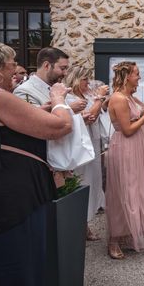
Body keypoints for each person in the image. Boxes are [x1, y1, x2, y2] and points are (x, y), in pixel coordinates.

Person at [0, 42, 72, 286]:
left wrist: (40, 109)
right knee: (20, 280)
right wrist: (59, 99)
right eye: (12, 63)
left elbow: (12, 124)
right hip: (14, 203)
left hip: (2, 198)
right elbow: (58, 128)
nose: (17, 69)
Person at [105, 62, 144, 259]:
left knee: (136, 190)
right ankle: (114, 240)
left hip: (136, 149)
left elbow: (136, 118)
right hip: (126, 149)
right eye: (136, 74)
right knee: (123, 191)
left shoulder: (131, 97)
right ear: (126, 77)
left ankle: (130, 233)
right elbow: (128, 130)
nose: (139, 77)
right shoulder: (118, 99)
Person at [64, 67, 110, 240]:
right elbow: (91, 113)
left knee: (93, 181)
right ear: (75, 79)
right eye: (84, 79)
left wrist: (100, 102)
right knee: (81, 181)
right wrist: (98, 98)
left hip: (93, 143)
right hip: (80, 147)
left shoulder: (87, 96)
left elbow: (96, 114)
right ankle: (80, 225)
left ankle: (86, 223)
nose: (87, 82)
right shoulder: (70, 99)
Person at [13, 47, 86, 114]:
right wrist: (69, 109)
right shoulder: (24, 91)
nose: (66, 73)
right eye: (62, 68)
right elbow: (31, 120)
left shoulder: (57, 88)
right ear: (47, 65)